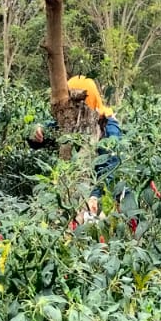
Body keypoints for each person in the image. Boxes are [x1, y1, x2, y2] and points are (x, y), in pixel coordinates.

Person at [27, 75, 124, 218]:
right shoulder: (70, 121)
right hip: (70, 191)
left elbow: (111, 166)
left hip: (98, 196)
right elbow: (45, 134)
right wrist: (36, 132)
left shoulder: (108, 126)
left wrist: (95, 195)